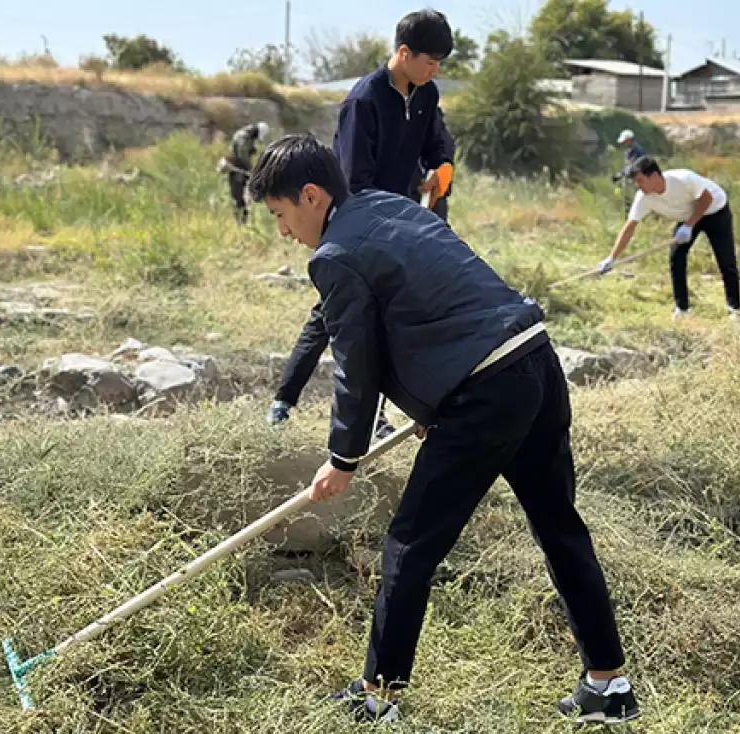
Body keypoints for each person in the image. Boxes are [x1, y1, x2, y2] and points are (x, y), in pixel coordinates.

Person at [248, 133, 640, 726]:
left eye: (280, 215)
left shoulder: (333, 256)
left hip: (484, 389)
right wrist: (433, 407)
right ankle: (609, 686)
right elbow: (436, 305)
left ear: (310, 195)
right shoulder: (392, 205)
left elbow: (358, 365)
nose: (283, 231)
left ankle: (378, 698)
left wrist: (343, 457)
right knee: (560, 526)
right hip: (532, 357)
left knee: (409, 546)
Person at [267, 10, 456, 431]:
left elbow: (438, 145)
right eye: (430, 60)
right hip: (361, 224)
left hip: (402, 223)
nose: (435, 69)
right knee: (335, 315)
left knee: (386, 316)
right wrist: (385, 224)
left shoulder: (426, 94)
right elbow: (354, 179)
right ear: (404, 53)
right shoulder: (364, 101)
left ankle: (382, 413)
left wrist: (442, 169)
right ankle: (285, 403)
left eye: (440, 62)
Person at [599, 156, 740, 320]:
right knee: (676, 258)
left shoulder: (683, 179)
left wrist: (689, 226)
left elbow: (706, 198)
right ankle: (682, 310)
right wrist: (612, 257)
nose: (638, 186)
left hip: (715, 211)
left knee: (726, 261)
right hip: (688, 217)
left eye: (640, 180)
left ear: (654, 176)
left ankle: (735, 309)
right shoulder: (644, 197)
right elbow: (629, 227)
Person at [225, 121, 270, 225]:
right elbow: (242, 156)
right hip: (237, 171)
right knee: (238, 197)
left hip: (242, 171)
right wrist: (251, 169)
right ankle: (240, 223)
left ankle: (243, 222)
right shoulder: (243, 137)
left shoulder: (248, 137)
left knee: (244, 198)